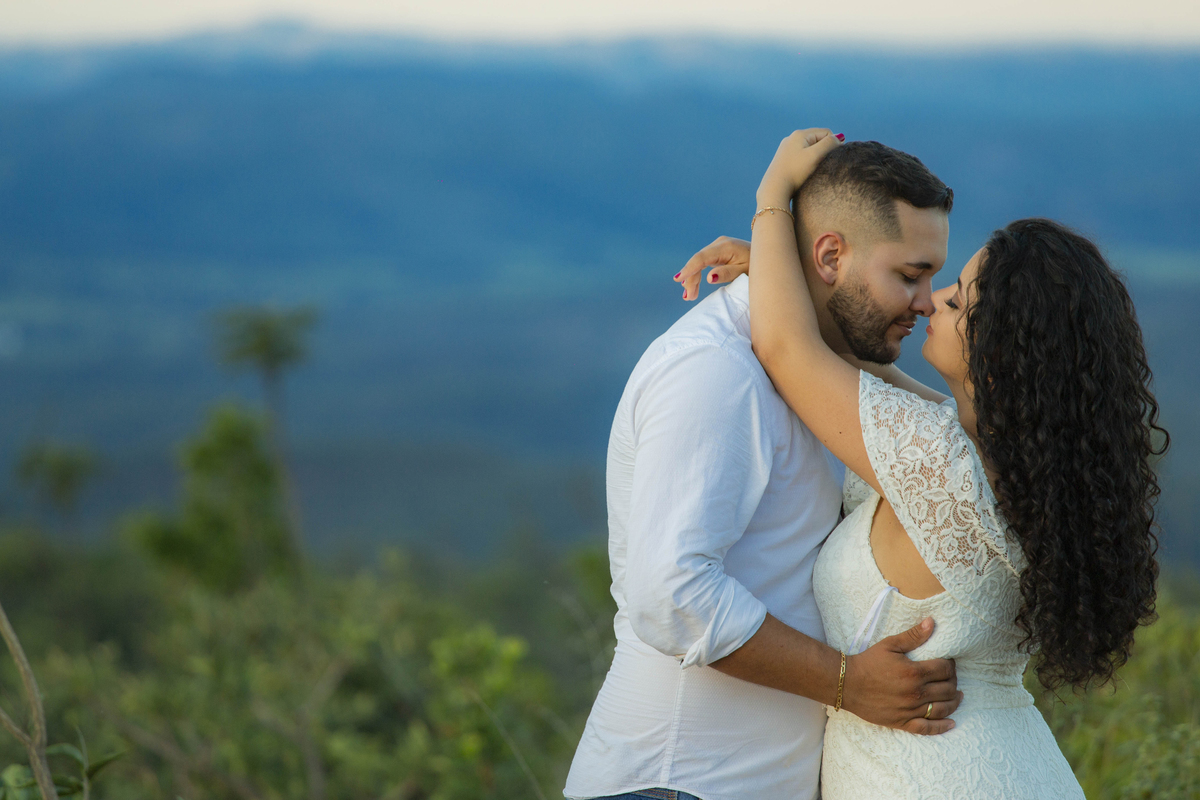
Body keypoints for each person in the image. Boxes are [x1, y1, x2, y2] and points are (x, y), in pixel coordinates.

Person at [708, 128, 1163, 798]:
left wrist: (773, 197)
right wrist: (789, 272)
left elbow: (788, 348)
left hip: (932, 775)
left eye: (958, 301)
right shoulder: (1022, 469)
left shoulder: (935, 458)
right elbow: (853, 365)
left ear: (1002, 355)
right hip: (1007, 764)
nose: (931, 301)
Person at [564, 140, 965, 800]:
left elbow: (950, 445)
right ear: (831, 256)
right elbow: (671, 595)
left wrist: (792, 289)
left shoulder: (807, 366)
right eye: (910, 275)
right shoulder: (716, 373)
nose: (925, 302)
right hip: (675, 782)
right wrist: (848, 681)